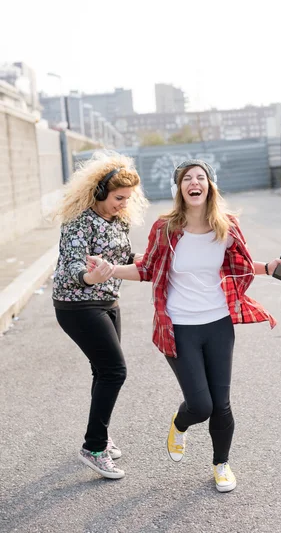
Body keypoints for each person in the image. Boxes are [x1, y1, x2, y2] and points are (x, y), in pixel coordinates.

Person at [87, 159, 281, 491]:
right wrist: (110, 269)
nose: (194, 183)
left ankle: (221, 465)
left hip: (218, 324)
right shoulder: (166, 228)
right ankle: (180, 424)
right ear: (179, 188)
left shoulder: (226, 226)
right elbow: (147, 269)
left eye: (201, 177)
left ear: (209, 185)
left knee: (221, 404)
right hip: (179, 327)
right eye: (187, 179)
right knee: (200, 405)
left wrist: (269, 267)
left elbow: (238, 264)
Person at [52, 151, 148, 480]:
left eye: (128, 199)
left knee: (102, 371)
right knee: (114, 371)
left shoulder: (118, 220)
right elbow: (73, 264)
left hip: (108, 300)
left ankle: (100, 437)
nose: (124, 204)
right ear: (100, 191)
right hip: (77, 304)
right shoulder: (79, 220)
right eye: (119, 198)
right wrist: (90, 277)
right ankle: (93, 448)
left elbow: (122, 255)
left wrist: (145, 258)